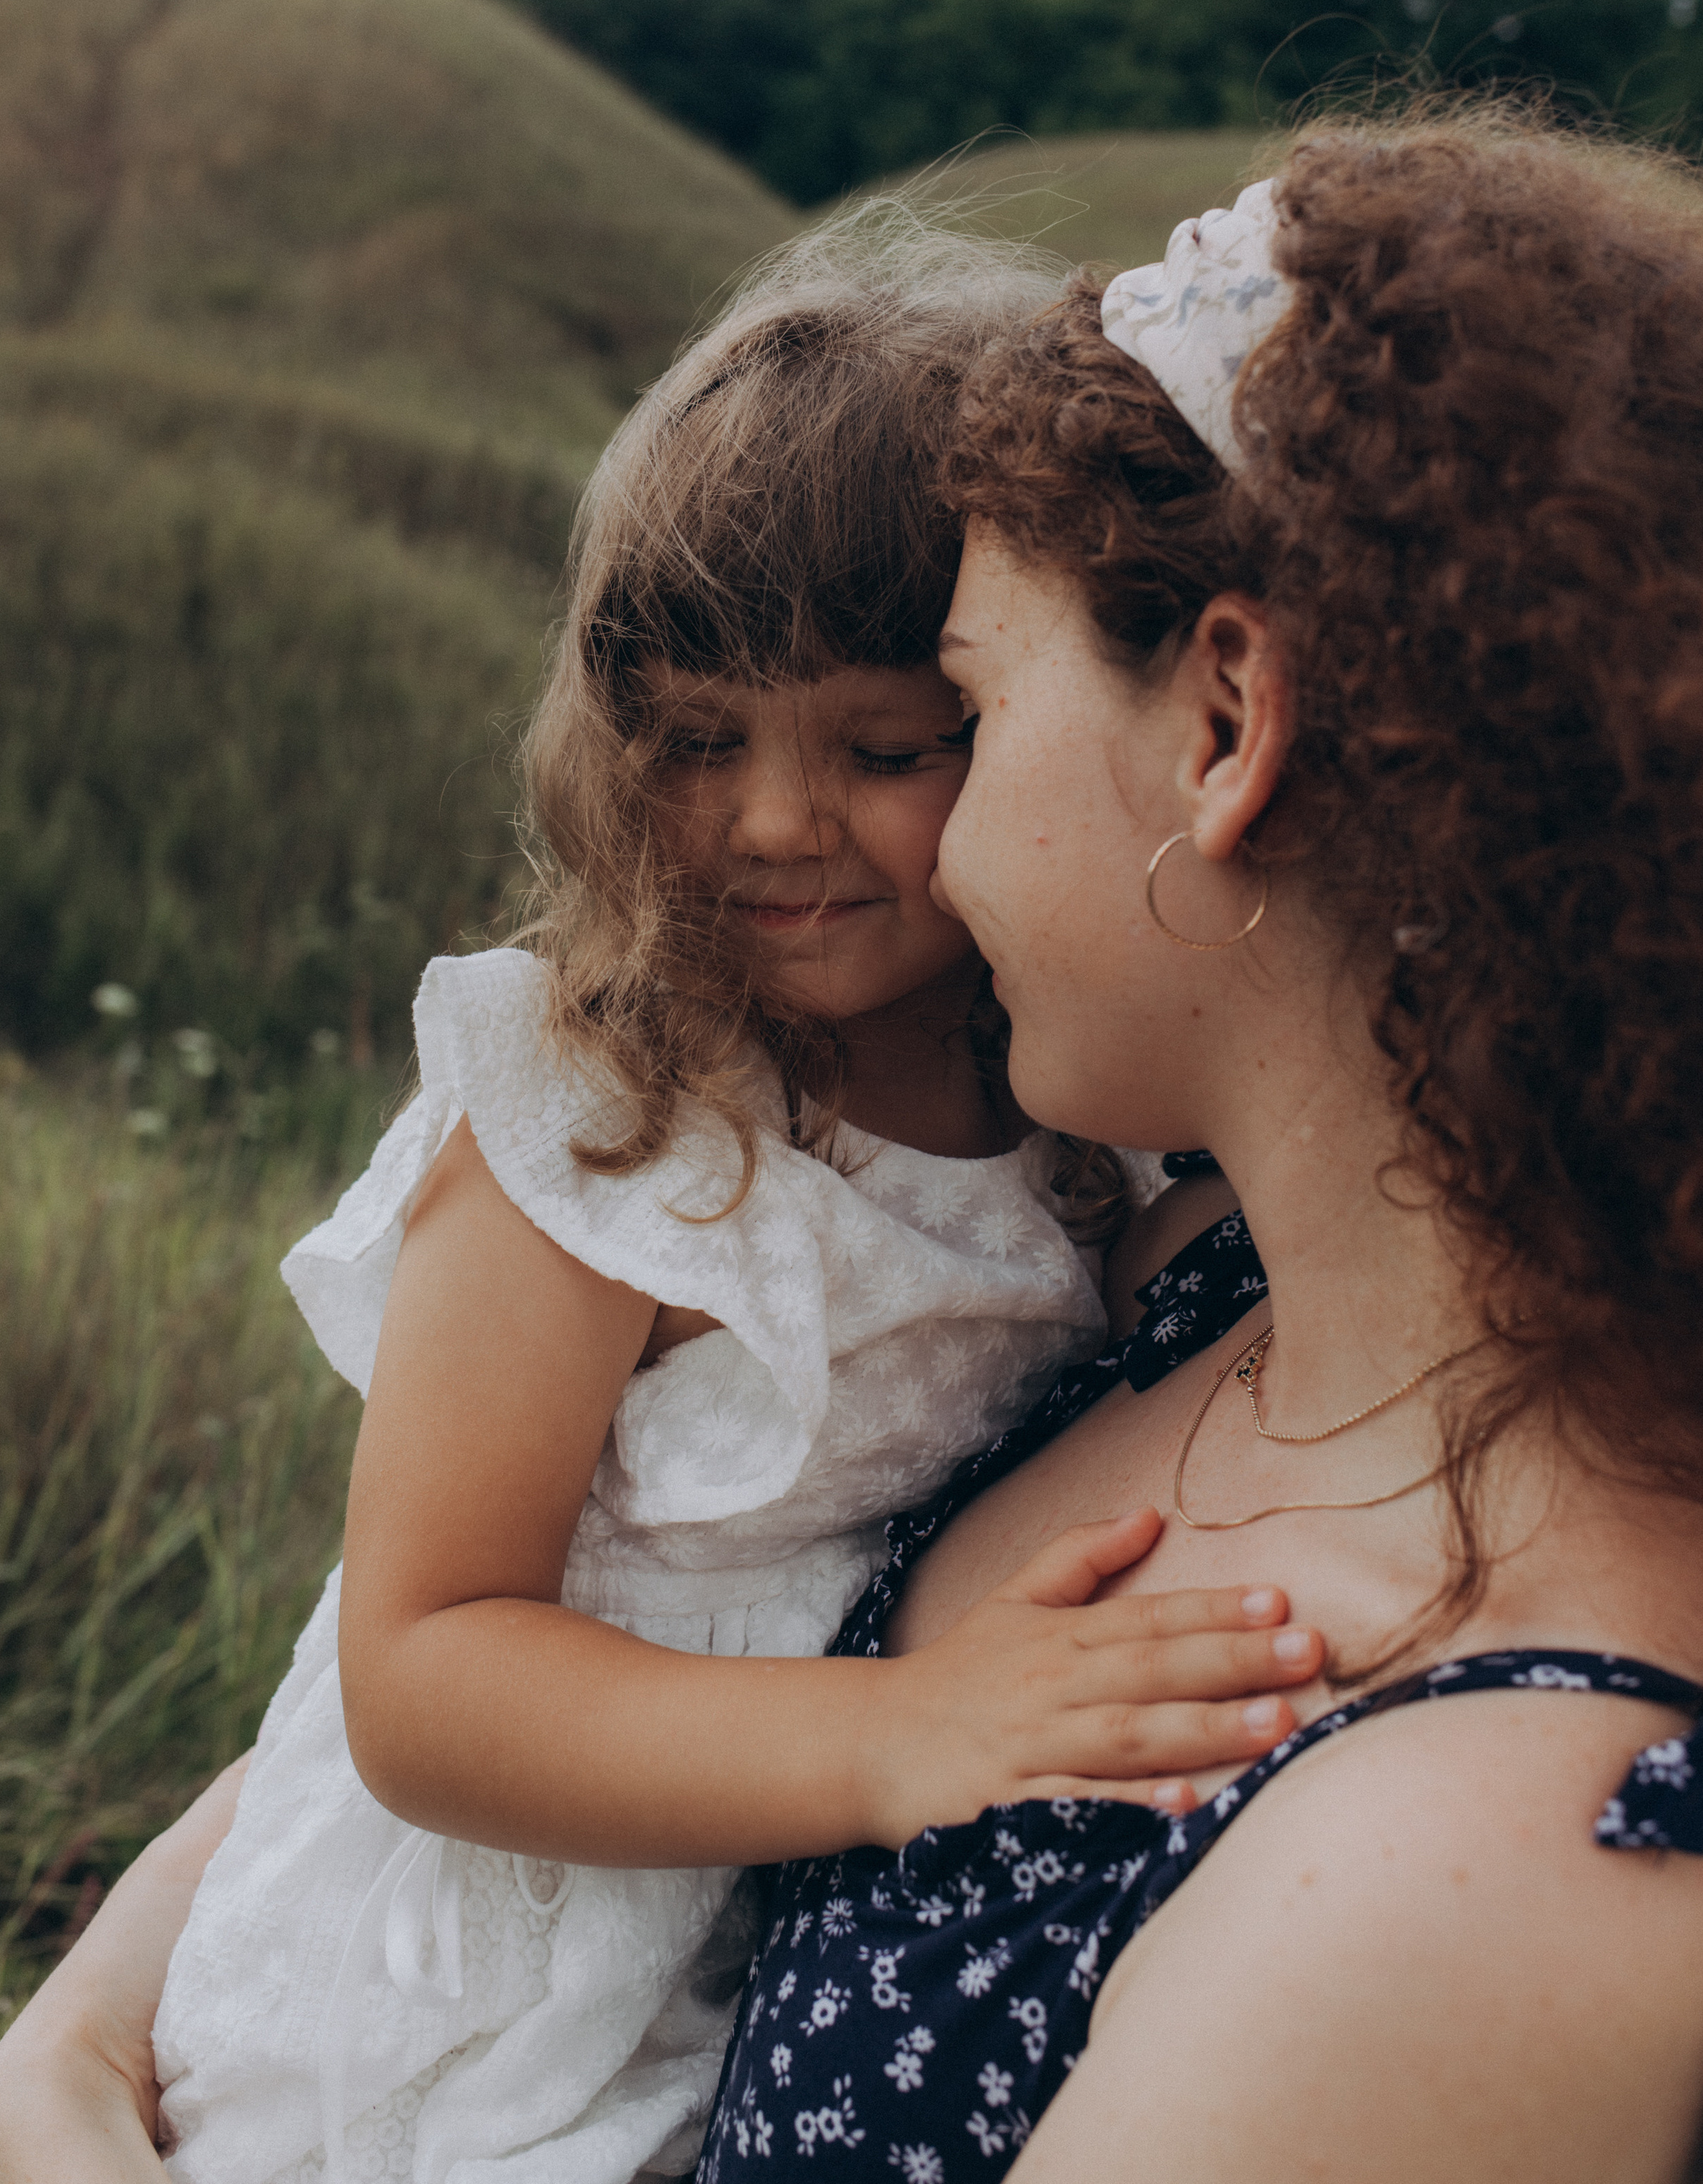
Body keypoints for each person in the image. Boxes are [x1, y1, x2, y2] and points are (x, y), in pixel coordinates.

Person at [0, 212, 1322, 2184]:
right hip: (465, 1995)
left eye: (884, 746)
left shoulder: (1077, 1110)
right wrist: (903, 1739)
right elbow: (424, 1667)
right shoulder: (614, 1121)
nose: (774, 823)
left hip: (726, 1960)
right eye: (697, 741)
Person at [696, 113, 1703, 2183]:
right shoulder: (1191, 1276)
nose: (939, 851)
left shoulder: (1475, 1869)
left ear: (1229, 721)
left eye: (972, 712)